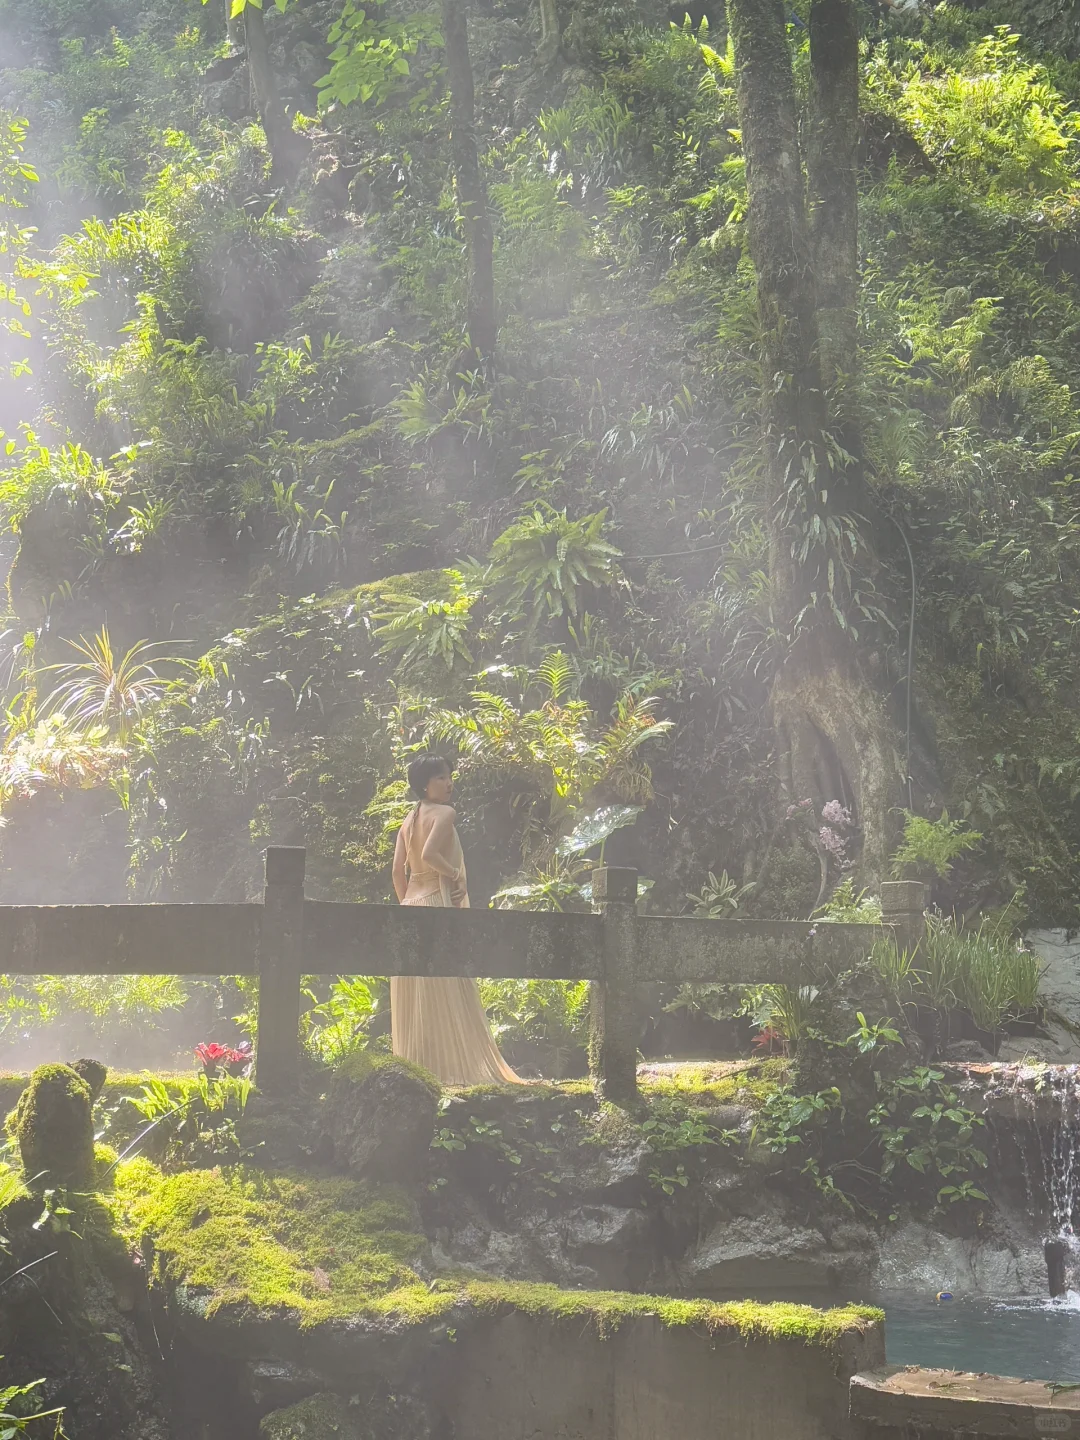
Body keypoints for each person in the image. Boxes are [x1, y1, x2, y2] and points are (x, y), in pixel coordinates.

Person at [390, 753, 522, 1085]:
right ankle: (455, 1071)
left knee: (420, 993)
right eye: (440, 778)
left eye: (450, 777)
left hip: (411, 906)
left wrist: (407, 901)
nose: (448, 783)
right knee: (448, 985)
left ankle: (420, 1071)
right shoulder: (446, 814)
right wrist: (455, 877)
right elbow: (429, 855)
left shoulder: (408, 819)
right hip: (436, 900)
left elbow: (397, 871)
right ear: (424, 784)